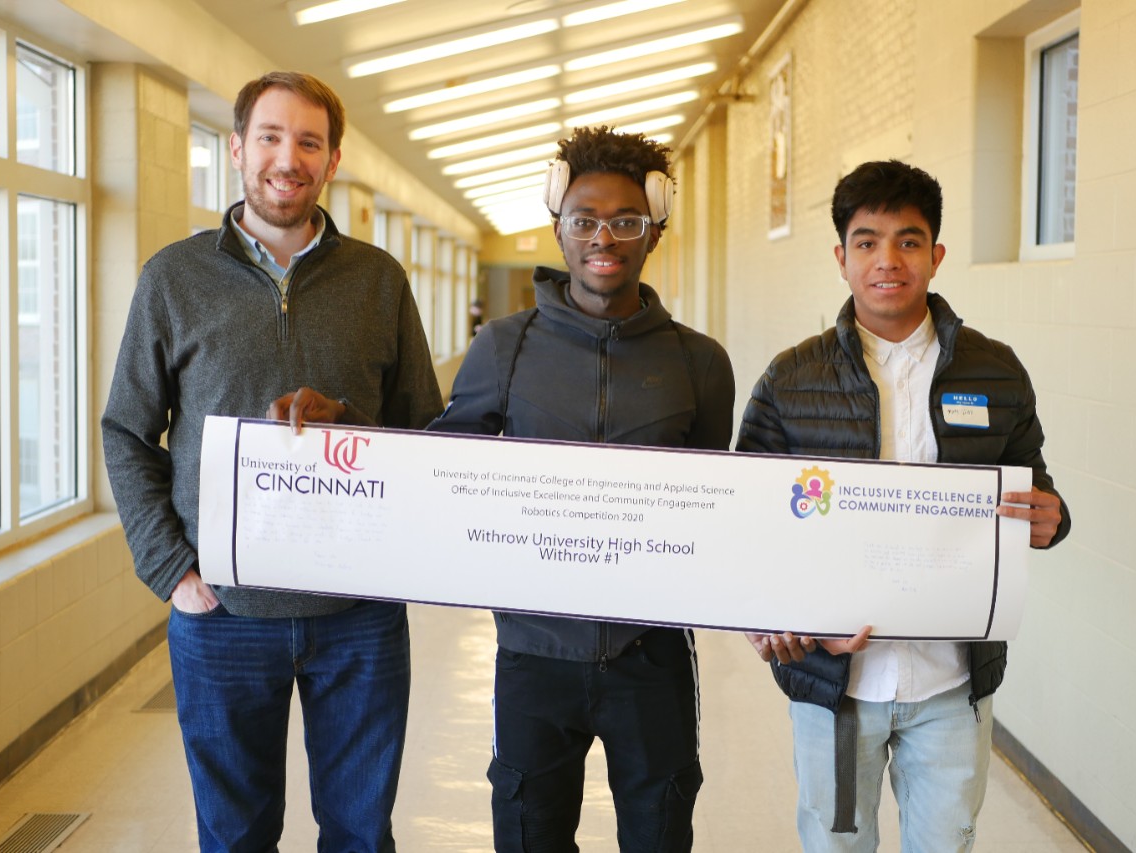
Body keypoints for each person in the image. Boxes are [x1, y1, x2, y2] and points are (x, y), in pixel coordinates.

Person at [101, 71, 441, 852]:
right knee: (235, 834)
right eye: (272, 137)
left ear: (334, 159)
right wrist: (172, 572)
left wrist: (351, 422)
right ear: (237, 148)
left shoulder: (379, 280)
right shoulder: (173, 278)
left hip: (359, 616)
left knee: (359, 833)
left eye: (309, 142)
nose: (289, 158)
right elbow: (127, 430)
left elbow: (423, 429)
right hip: (222, 617)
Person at [736, 159, 1071, 852]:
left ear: (936, 255)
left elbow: (1036, 483)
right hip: (835, 683)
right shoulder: (791, 378)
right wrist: (768, 618)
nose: (888, 260)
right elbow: (748, 522)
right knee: (836, 845)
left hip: (952, 682)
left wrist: (1053, 517)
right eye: (867, 241)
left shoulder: (995, 370)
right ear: (841, 257)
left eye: (909, 241)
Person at [429, 126, 734, 852]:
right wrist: (348, 439)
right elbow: (444, 469)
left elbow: (714, 502)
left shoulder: (699, 362)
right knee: (531, 833)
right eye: (584, 219)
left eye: (626, 220)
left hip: (651, 651)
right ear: (557, 227)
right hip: (534, 652)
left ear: (655, 228)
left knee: (659, 830)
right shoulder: (506, 345)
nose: (605, 236)